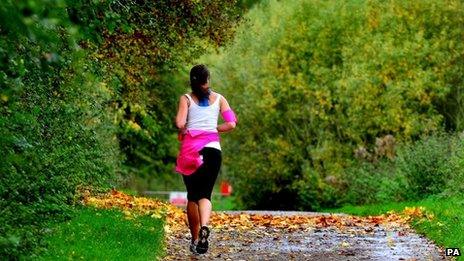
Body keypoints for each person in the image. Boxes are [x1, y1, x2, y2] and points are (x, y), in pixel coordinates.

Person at [175, 64, 237, 255]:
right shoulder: (219, 99)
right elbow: (232, 123)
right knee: (205, 195)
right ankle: (205, 226)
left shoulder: (185, 99)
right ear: (207, 80)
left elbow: (179, 123)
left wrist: (187, 128)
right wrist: (214, 129)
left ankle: (195, 240)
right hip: (213, 151)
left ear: (191, 80)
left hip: (191, 152)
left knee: (192, 197)